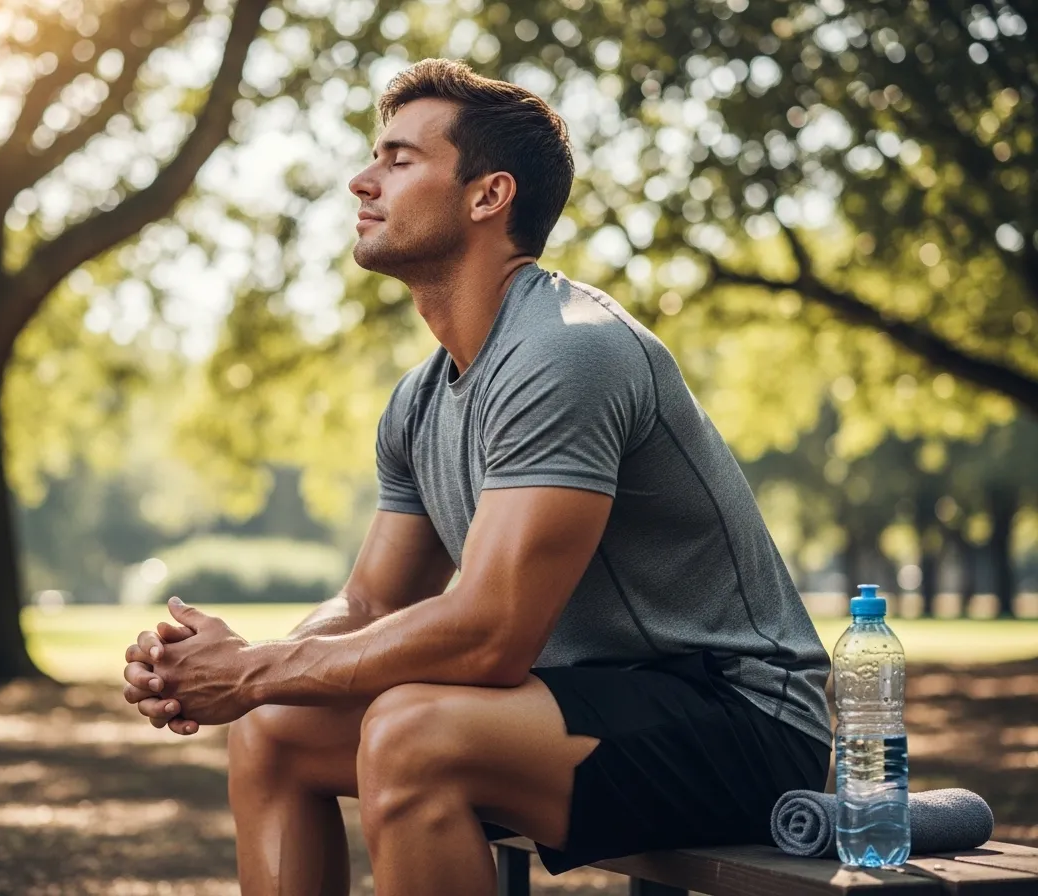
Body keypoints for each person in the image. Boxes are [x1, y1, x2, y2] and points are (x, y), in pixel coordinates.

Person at [121, 57, 832, 896]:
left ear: (488, 196)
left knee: (412, 732)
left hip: (747, 724)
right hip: (584, 703)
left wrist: (250, 671)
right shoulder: (421, 399)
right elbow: (370, 605)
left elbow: (491, 635)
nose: (362, 181)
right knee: (276, 727)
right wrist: (237, 665)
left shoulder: (569, 349)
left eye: (399, 160)